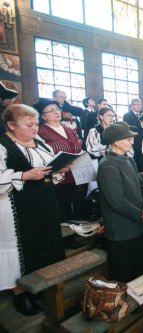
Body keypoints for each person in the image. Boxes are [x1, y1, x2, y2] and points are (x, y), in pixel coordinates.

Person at [0, 104, 66, 315]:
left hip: (44, 204)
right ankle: (20, 293)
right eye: (29, 124)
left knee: (45, 242)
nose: (35, 128)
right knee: (20, 249)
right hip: (15, 208)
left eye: (36, 123)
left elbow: (48, 170)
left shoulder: (40, 144)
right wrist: (24, 175)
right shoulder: (2, 146)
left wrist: (59, 169)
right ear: (11, 125)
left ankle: (42, 286)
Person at [97, 121, 143, 282]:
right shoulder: (107, 165)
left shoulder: (128, 159)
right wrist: (140, 214)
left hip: (138, 223)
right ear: (115, 141)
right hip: (121, 230)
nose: (132, 141)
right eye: (128, 139)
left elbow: (141, 185)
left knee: (141, 268)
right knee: (126, 274)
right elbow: (116, 200)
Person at [36, 98, 83, 222]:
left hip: (74, 177)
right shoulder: (41, 132)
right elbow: (39, 157)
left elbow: (77, 148)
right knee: (59, 212)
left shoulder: (69, 130)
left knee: (73, 211)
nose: (56, 112)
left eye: (57, 109)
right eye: (51, 111)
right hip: (55, 180)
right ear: (43, 116)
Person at [123, 98, 143, 172]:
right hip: (134, 141)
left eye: (140, 104)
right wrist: (141, 124)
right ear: (131, 106)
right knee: (136, 161)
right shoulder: (127, 115)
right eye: (137, 105)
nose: (139, 106)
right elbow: (128, 128)